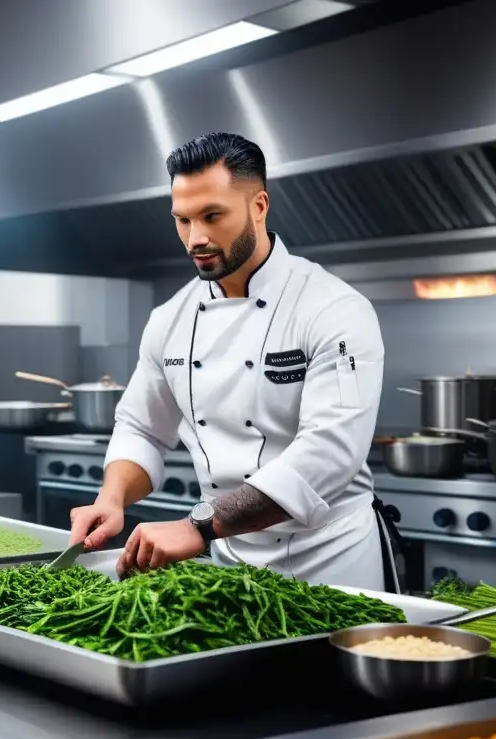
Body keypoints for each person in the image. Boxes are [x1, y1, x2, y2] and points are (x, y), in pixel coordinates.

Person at [69, 133, 387, 590]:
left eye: (212, 216)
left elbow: (329, 453)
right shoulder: (170, 319)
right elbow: (141, 427)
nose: (195, 238)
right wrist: (112, 496)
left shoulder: (334, 309)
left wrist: (198, 528)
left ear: (259, 206)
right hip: (232, 563)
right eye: (182, 220)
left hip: (330, 562)